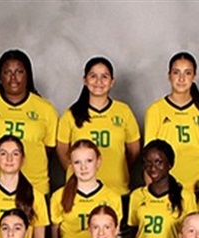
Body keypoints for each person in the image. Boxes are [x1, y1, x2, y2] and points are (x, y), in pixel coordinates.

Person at [0, 49, 58, 194]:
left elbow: (48, 149)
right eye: (7, 72)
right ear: (0, 77)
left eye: (19, 72)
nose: (13, 78)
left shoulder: (45, 109)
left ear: (28, 75)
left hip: (34, 186)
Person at [56, 57, 140, 197]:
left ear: (112, 82)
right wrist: (78, 171)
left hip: (116, 189)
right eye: (93, 76)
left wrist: (120, 167)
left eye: (104, 76)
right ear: (85, 80)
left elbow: (133, 150)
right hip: (80, 190)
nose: (99, 81)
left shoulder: (123, 111)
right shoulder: (71, 114)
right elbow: (62, 150)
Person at [143, 52, 199, 190]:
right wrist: (152, 192)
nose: (181, 78)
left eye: (187, 73)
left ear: (194, 76)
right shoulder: (156, 110)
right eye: (176, 72)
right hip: (168, 187)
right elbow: (149, 158)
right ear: (169, 75)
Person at [50, 139, 123, 238]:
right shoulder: (59, 196)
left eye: (89, 161)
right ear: (71, 164)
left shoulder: (112, 197)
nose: (83, 167)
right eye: (77, 162)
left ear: (98, 162)